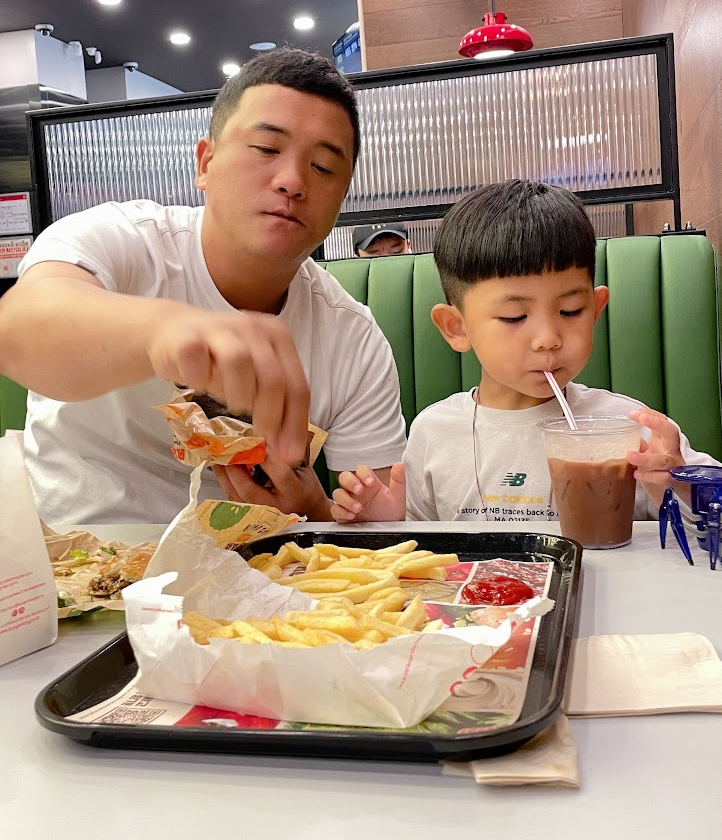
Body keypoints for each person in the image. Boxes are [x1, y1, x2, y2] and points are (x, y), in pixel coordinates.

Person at [0, 49, 406, 525]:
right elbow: (19, 331)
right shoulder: (123, 239)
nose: (292, 181)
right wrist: (165, 331)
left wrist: (309, 510)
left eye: (322, 167)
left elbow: (378, 521)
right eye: (266, 149)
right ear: (205, 163)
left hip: (259, 563)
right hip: (74, 559)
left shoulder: (353, 337)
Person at [331, 180, 719, 523]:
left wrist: (679, 485)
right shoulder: (434, 432)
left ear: (596, 310)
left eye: (571, 311)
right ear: (457, 328)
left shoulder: (629, 427)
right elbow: (426, 549)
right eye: (514, 317)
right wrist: (389, 525)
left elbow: (710, 513)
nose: (547, 339)